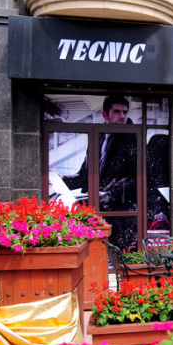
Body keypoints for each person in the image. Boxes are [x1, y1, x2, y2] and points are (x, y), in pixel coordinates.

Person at [62, 95, 138, 248]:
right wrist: (60, 180)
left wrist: (111, 195)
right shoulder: (97, 136)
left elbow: (140, 178)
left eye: (125, 112)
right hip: (98, 208)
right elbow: (85, 175)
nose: (122, 116)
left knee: (112, 250)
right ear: (105, 115)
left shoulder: (133, 137)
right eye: (117, 111)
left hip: (121, 210)